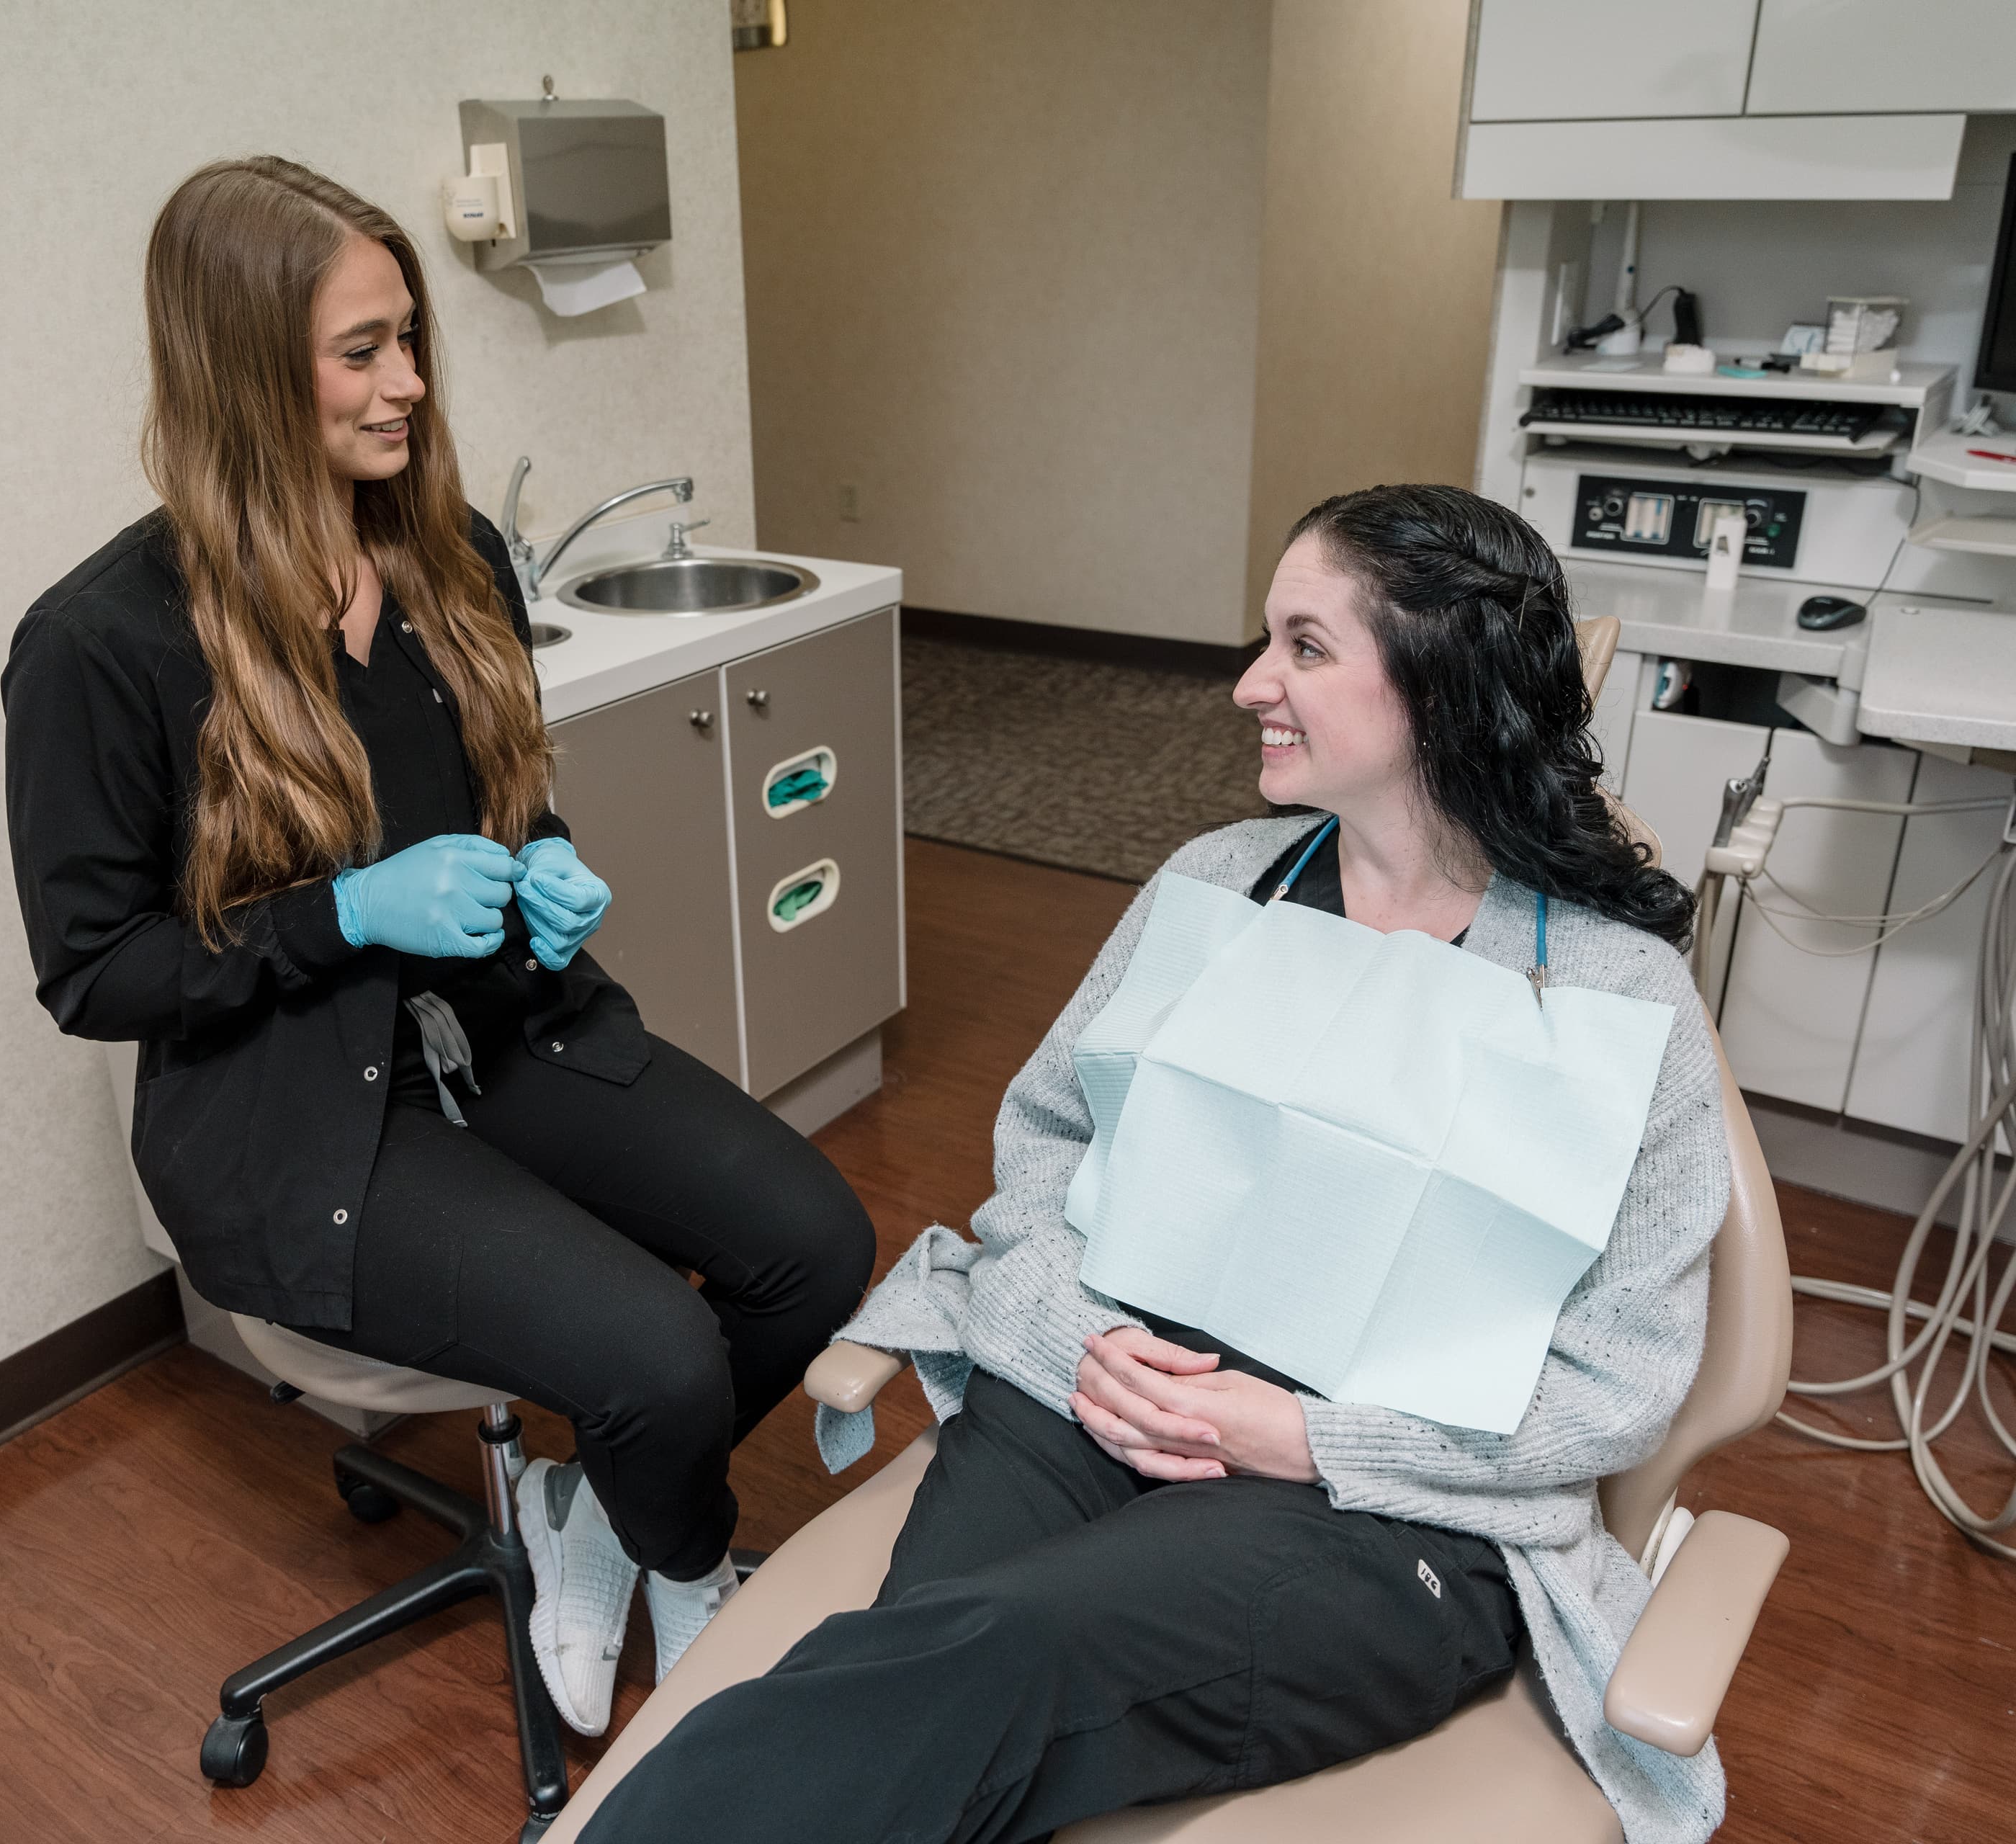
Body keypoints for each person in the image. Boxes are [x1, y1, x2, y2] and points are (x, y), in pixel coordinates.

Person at [576, 484, 1731, 1844]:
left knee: (987, 1662)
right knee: (911, 1672)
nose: (1249, 684)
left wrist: (1301, 1436)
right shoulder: (1220, 884)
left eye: (1305, 647)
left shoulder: (1617, 999)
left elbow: (1616, 1386)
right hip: (1097, 1385)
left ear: (1440, 683)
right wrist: (1086, 1341)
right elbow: (1048, 1143)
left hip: (1370, 1497)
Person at [0, 157, 873, 1735]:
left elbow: (509, 792)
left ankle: (594, 1509)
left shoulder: (448, 550)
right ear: (243, 372)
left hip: (509, 1030)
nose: (410, 379)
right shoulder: (101, 644)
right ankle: (686, 1556)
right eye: (363, 350)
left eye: (409, 337)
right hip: (302, 1112)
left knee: (815, 1244)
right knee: (663, 1354)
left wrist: (550, 862)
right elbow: (95, 970)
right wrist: (341, 910)